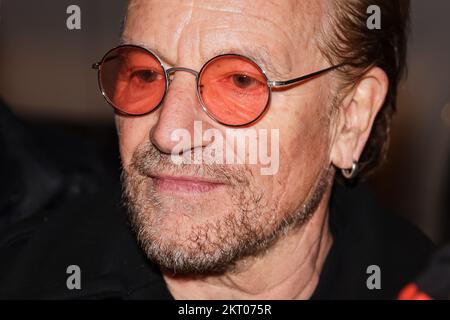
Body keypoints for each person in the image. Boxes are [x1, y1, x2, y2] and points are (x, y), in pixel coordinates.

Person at [0, 0, 434, 299]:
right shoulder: (24, 278)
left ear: (350, 117)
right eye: (147, 74)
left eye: (240, 82)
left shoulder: (419, 282)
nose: (169, 133)